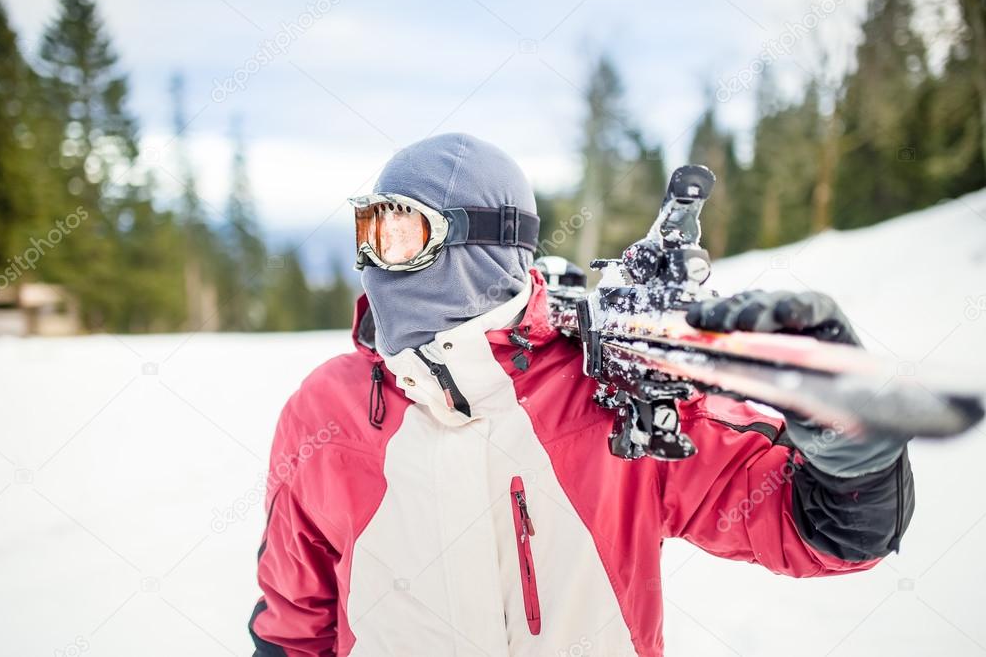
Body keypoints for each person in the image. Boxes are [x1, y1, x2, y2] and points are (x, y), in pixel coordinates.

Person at [248, 133, 913, 657]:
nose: (376, 263)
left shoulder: (613, 392)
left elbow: (828, 535)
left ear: (479, 245)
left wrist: (849, 437)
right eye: (369, 234)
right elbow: (293, 622)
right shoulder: (325, 409)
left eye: (400, 236)